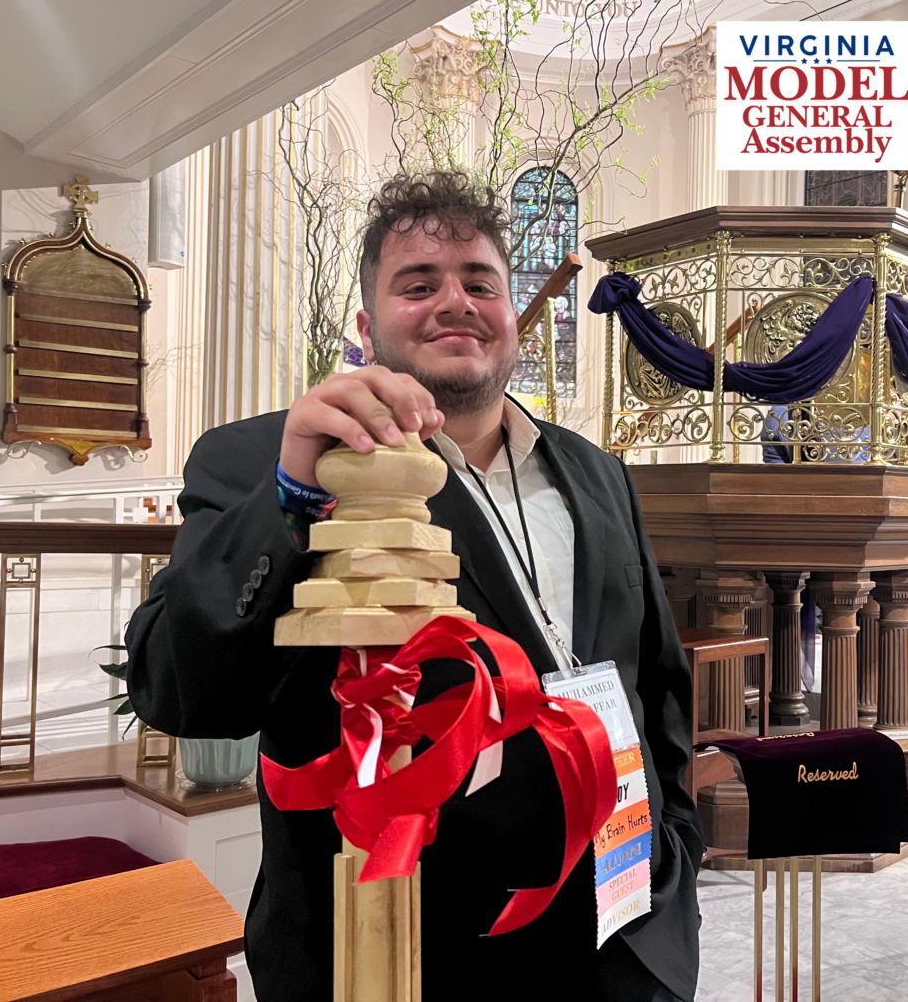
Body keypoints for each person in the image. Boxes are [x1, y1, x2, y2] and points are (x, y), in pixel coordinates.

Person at [126, 171, 702, 1002]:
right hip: (394, 953)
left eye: (480, 282)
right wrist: (293, 494)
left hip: (618, 940)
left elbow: (655, 687)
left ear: (513, 315)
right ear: (367, 326)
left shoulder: (598, 473)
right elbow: (178, 689)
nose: (455, 301)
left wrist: (673, 858)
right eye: (417, 283)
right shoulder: (272, 457)